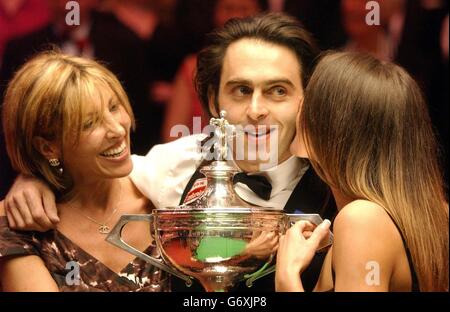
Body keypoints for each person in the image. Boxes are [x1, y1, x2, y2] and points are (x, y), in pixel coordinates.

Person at [4, 13, 336, 292]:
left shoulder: (335, 191)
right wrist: (34, 179)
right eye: (241, 90)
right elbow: (90, 170)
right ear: (213, 101)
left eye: (278, 91)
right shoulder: (177, 164)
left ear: (304, 102)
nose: (256, 109)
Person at [275, 51, 449, 292]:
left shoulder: (361, 220)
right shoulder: (432, 213)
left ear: (335, 128)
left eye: (311, 96)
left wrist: (287, 277)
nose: (300, 106)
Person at [0, 52, 170, 292]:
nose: (117, 130)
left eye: (113, 107)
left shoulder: (167, 188)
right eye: (89, 123)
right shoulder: (20, 224)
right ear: (48, 147)